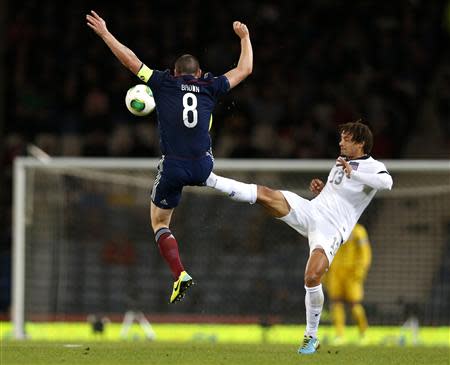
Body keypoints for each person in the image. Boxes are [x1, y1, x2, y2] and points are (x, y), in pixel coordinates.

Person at [86, 10, 253, 303]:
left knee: (160, 223)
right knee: (207, 139)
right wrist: (245, 37)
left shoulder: (162, 83)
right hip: (203, 165)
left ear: (175, 73)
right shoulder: (209, 86)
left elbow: (130, 60)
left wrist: (105, 34)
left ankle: (179, 274)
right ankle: (226, 185)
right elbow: (244, 70)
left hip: (174, 167)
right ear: (199, 74)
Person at [206, 121, 393, 354]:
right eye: (341, 138)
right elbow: (338, 195)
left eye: (345, 138)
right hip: (312, 211)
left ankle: (311, 337)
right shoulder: (340, 163)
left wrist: (353, 172)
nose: (340, 142)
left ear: (361, 142)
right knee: (266, 195)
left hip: (332, 229)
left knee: (312, 276)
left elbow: (387, 183)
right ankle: (210, 178)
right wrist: (323, 188)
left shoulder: (373, 166)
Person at [322, 223, 372, 344]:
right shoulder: (332, 230)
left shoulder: (358, 231)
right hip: (335, 272)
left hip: (352, 273)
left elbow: (365, 252)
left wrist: (361, 269)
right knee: (336, 303)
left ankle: (363, 334)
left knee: (355, 304)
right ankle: (339, 335)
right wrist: (324, 272)